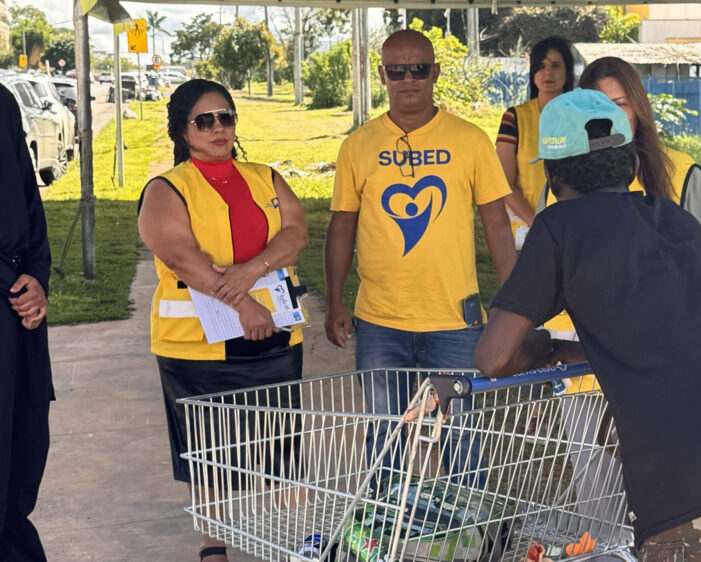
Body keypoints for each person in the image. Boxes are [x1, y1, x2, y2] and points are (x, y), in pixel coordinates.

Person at [476, 89, 701, 560]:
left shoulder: (559, 228)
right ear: (632, 164)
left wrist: (550, 348)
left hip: (694, 488)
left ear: (552, 176)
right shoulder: (677, 220)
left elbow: (494, 357)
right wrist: (589, 350)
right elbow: (667, 329)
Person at [324, 29, 516, 489]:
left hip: (454, 321)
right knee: (385, 434)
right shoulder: (358, 145)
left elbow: (496, 222)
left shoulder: (469, 140)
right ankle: (383, 523)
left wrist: (514, 301)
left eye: (418, 69)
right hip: (380, 321)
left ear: (435, 73)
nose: (408, 79)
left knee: (461, 436)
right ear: (382, 75)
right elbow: (342, 226)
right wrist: (333, 300)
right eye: (397, 70)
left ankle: (474, 525)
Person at [138, 79, 308, 562]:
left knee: (282, 446)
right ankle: (213, 546)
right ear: (183, 130)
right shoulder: (166, 189)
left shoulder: (266, 177)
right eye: (204, 120)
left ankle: (294, 537)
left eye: (226, 117)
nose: (218, 128)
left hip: (274, 337)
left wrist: (253, 270)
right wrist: (244, 304)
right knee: (210, 455)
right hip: (196, 348)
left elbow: (295, 233)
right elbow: (182, 257)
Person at [580, 56, 701, 272]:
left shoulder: (680, 171)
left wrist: (659, 269)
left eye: (620, 104)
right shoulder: (563, 175)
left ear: (638, 108)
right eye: (598, 107)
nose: (611, 117)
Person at [0, 82, 53, 562]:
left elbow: (29, 201)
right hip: (8, 290)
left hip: (19, 312)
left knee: (24, 450)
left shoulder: (2, 102)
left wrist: (37, 276)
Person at [495, 37, 575, 248]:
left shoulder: (580, 118)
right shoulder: (515, 118)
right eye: (541, 66)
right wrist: (539, 225)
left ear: (567, 71)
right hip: (526, 232)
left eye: (555, 66)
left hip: (573, 229)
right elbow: (503, 183)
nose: (547, 73)